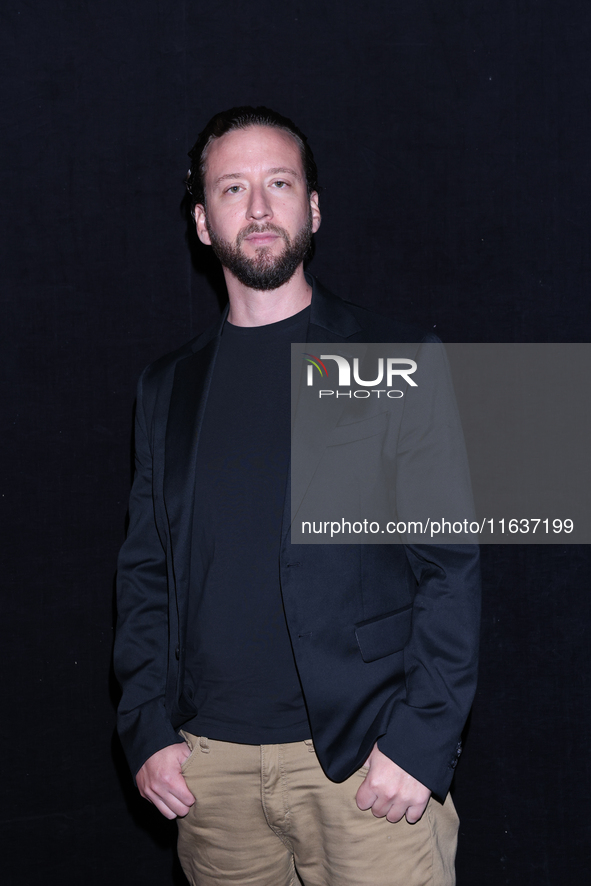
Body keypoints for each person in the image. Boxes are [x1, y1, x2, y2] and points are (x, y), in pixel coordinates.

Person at [114, 106, 480, 886]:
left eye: (278, 184)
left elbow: (448, 567)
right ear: (202, 223)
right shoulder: (165, 387)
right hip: (209, 781)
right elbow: (145, 573)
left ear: (311, 208)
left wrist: (419, 741)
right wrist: (144, 728)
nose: (256, 208)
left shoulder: (396, 357)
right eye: (231, 188)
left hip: (365, 772)